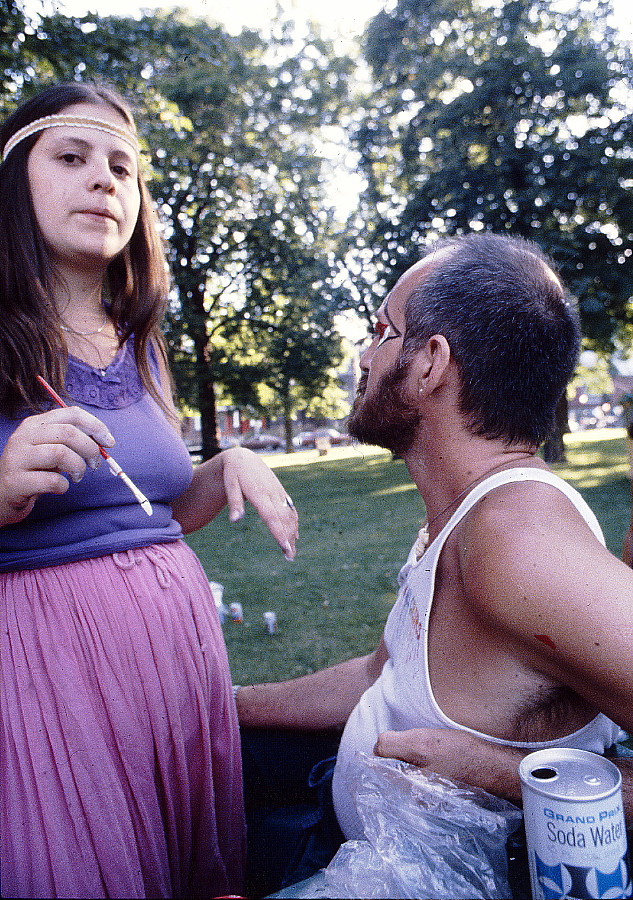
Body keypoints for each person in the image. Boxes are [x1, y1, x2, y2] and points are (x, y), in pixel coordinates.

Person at [236, 232, 633, 893]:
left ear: (428, 363)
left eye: (380, 332)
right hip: (351, 840)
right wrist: (231, 706)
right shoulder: (461, 514)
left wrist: (495, 772)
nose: (363, 358)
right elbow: (380, 673)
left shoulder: (517, 542)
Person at [0, 82, 298, 899]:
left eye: (124, 168)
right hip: (47, 675)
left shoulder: (141, 344)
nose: (105, 180)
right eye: (72, 157)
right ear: (11, 184)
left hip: (175, 665)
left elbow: (152, 511)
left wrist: (223, 468)